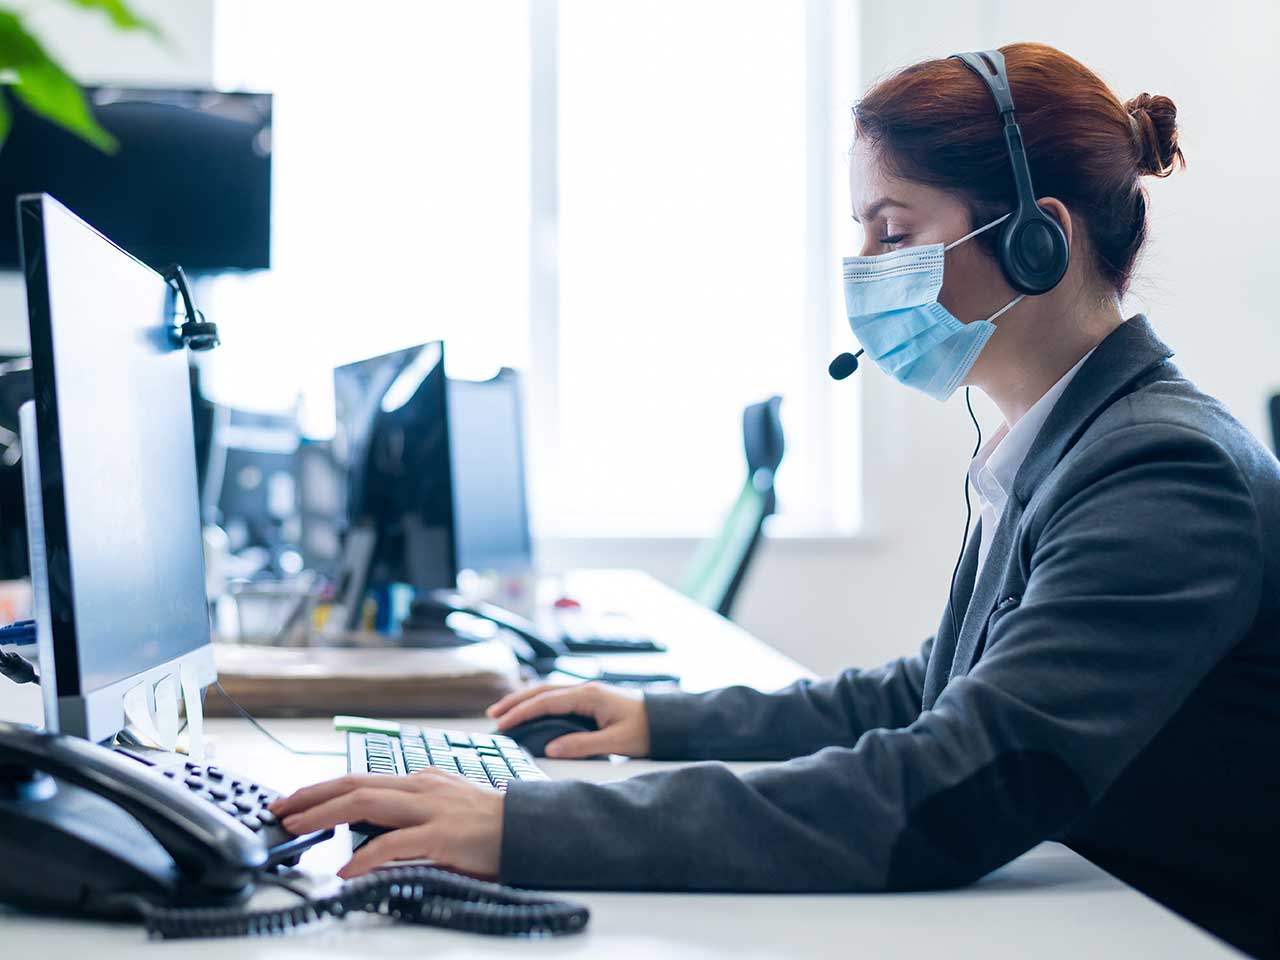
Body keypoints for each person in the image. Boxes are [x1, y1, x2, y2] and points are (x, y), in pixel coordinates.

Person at [271, 43, 1280, 959]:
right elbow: (927, 690)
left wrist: (525, 826)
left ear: (1035, 241)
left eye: (893, 230)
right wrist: (653, 722)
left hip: (1167, 931)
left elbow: (961, 782)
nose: (866, 268)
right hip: (1079, 910)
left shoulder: (1160, 471)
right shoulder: (1065, 438)